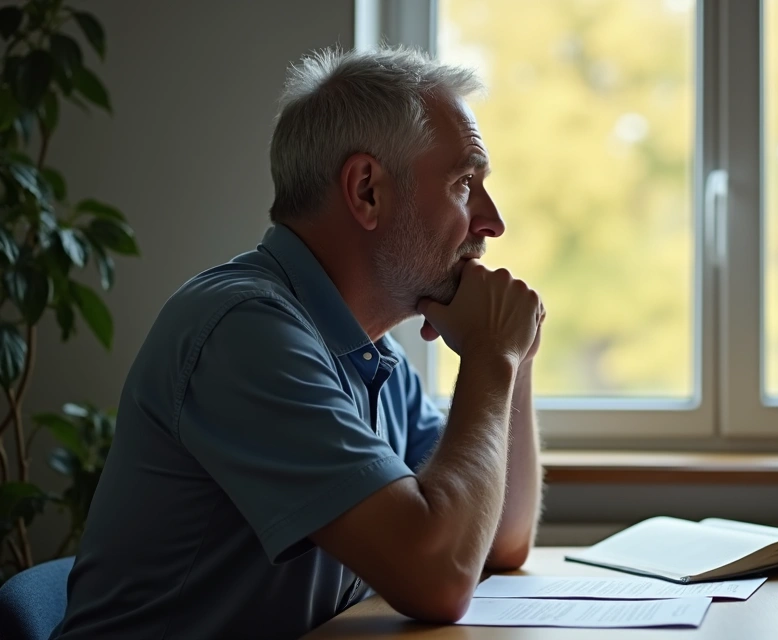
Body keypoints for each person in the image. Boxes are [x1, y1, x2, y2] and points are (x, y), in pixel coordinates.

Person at [52, 47, 544, 639]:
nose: (491, 221)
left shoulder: (373, 356)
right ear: (366, 190)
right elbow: (439, 577)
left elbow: (500, 540)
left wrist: (513, 357)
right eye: (465, 183)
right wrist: (491, 356)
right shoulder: (244, 332)